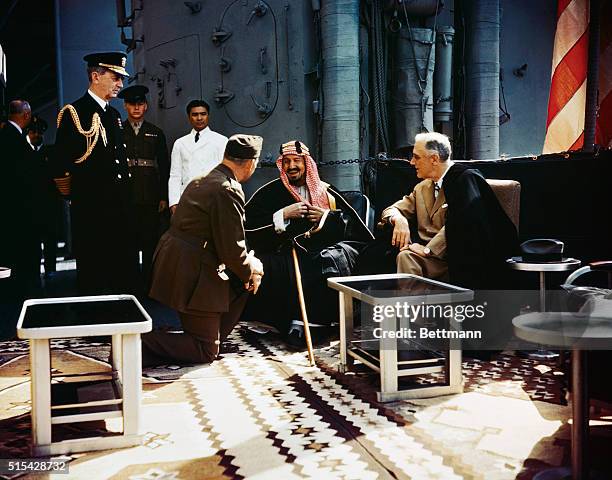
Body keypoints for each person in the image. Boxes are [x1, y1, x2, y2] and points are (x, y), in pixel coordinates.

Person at [145, 134, 264, 366]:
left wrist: (247, 270)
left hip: (179, 260)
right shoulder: (227, 189)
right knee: (204, 352)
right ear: (251, 163)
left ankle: (211, 337)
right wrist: (253, 268)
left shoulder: (203, 178)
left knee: (243, 282)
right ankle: (139, 343)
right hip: (191, 268)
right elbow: (232, 249)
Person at [243, 140, 374, 344]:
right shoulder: (269, 192)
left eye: (296, 161)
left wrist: (325, 216)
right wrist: (282, 215)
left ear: (307, 163)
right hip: (287, 251)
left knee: (327, 260)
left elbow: (352, 227)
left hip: (322, 250)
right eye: (286, 162)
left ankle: (315, 324)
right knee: (266, 263)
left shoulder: (327, 192)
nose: (291, 166)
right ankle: (275, 322)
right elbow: (250, 227)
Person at [380, 132, 518, 289]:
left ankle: (416, 311)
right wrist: (398, 219)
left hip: (456, 258)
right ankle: (415, 311)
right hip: (430, 260)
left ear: (434, 159)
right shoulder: (422, 188)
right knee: (397, 256)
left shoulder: (465, 179)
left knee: (406, 257)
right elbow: (392, 209)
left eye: (416, 157)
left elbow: (464, 221)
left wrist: (428, 250)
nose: (412, 162)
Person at [52, 51, 138, 295]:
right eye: (115, 77)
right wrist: (77, 198)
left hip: (119, 209)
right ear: (95, 76)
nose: (120, 84)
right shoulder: (74, 113)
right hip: (92, 210)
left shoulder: (113, 115)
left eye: (121, 79)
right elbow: (60, 164)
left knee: (121, 275)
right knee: (95, 277)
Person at [118, 85, 170, 291]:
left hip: (150, 195)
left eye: (140, 104)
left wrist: (164, 196)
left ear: (146, 106)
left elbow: (164, 167)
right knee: (128, 242)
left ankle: (149, 286)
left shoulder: (155, 133)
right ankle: (130, 286)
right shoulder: (117, 131)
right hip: (126, 195)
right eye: (132, 104)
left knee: (150, 243)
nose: (136, 108)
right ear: (125, 106)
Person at [0, 100, 42, 299]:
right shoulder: (14, 139)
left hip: (9, 208)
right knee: (21, 254)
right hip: (20, 209)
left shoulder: (6, 135)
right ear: (26, 116)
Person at [168, 99, 227, 213]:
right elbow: (175, 175)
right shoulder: (180, 143)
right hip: (187, 198)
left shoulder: (221, 141)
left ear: (208, 116)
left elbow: (226, 174)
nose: (199, 118)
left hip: (213, 198)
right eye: (195, 114)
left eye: (203, 114)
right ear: (189, 117)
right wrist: (174, 202)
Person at [26, 116, 62, 278]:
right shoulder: (24, 152)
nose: (36, 135)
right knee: (32, 239)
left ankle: (50, 268)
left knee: (49, 238)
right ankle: (33, 269)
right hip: (30, 204)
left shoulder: (50, 152)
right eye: (33, 132)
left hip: (49, 203)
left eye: (39, 132)